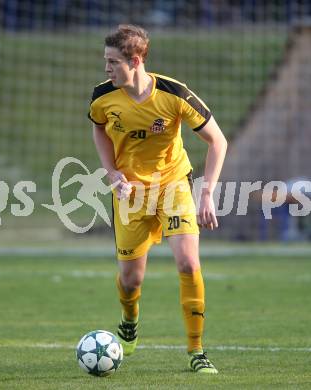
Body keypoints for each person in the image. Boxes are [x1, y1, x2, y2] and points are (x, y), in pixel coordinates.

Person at [88, 24, 227, 374]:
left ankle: (197, 351)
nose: (106, 68)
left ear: (135, 61)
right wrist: (112, 173)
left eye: (112, 61)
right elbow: (99, 129)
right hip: (131, 194)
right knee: (132, 280)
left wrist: (207, 192)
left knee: (188, 264)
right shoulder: (103, 96)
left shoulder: (173, 93)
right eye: (105, 60)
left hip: (173, 185)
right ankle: (129, 319)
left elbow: (218, 141)